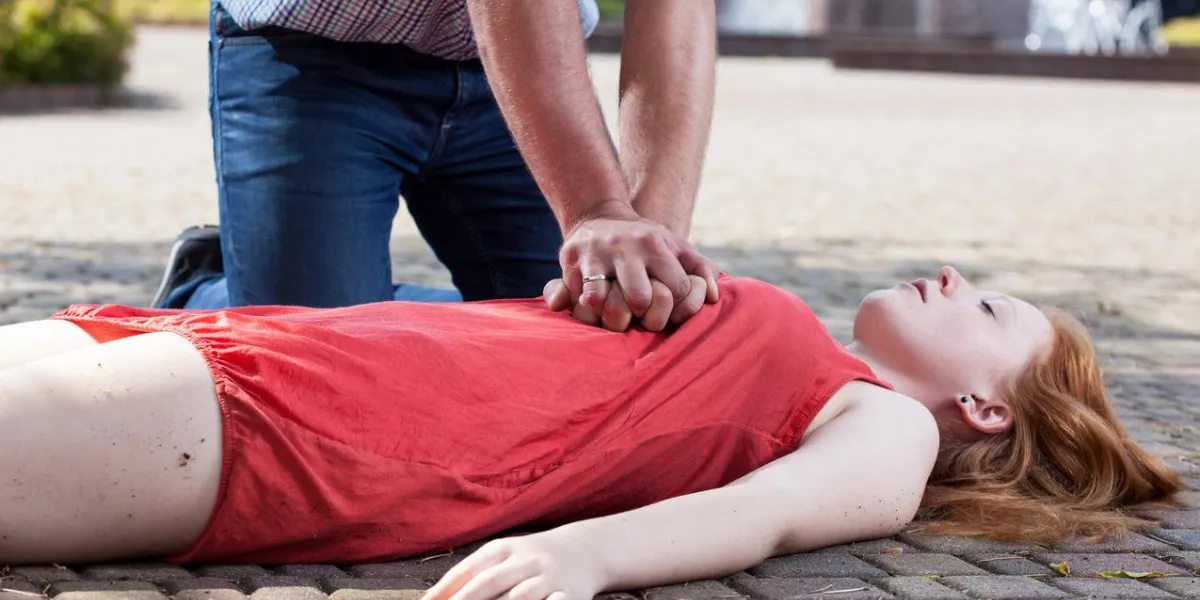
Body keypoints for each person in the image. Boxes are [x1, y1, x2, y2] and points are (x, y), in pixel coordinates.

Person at [0, 267, 1181, 595]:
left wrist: (590, 555)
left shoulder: (890, 434)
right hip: (277, 349)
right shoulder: (823, 361)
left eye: (987, 307)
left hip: (306, 427)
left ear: (986, 408)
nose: (949, 274)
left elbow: (764, 518)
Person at [150, 0, 722, 334]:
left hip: (514, 69)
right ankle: (204, 291)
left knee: (593, 329)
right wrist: (597, 210)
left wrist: (651, 267)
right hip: (314, 55)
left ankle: (335, 290)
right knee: (326, 365)